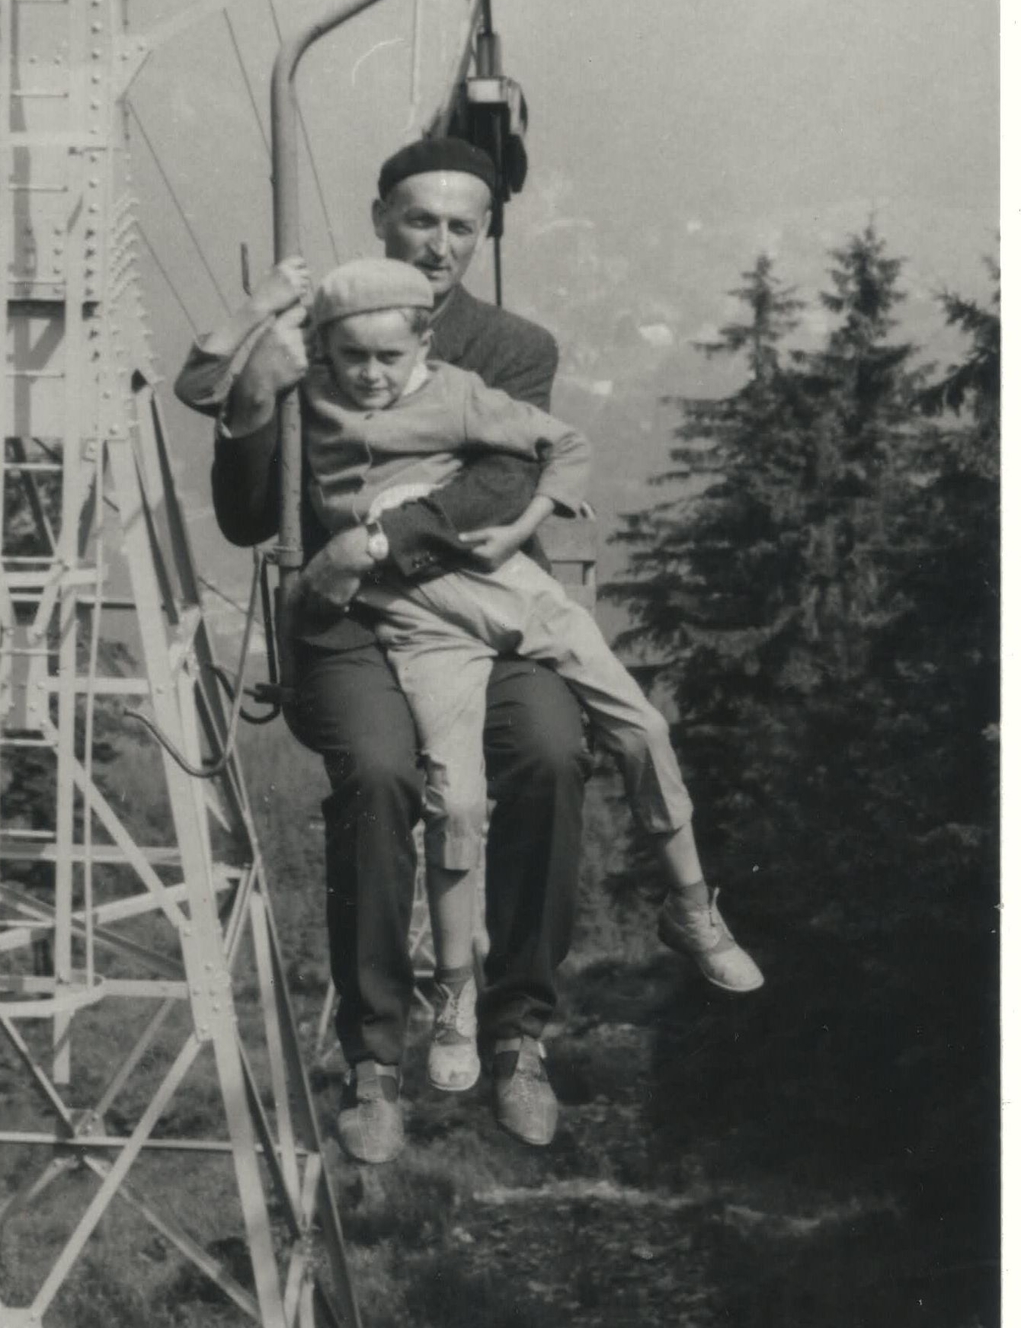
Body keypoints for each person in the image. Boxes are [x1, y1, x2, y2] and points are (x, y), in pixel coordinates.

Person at [179, 138, 587, 1161]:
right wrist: (253, 401)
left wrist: (368, 541)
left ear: (482, 235)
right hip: (353, 622)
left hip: (477, 598)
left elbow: (499, 482)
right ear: (379, 219)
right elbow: (247, 517)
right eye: (419, 220)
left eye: (460, 226)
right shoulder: (323, 334)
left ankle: (517, 1032)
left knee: (548, 751)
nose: (439, 243)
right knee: (376, 771)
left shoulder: (511, 347)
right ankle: (374, 1060)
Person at [292, 255, 763, 1096]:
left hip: (515, 592)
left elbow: (562, 444)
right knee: (456, 803)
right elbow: (220, 386)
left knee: (641, 728)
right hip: (420, 624)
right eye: (350, 356)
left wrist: (524, 526)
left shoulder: (457, 395)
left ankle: (691, 907)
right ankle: (456, 999)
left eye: (388, 357)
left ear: (423, 347)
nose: (369, 374)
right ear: (323, 350)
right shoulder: (313, 397)